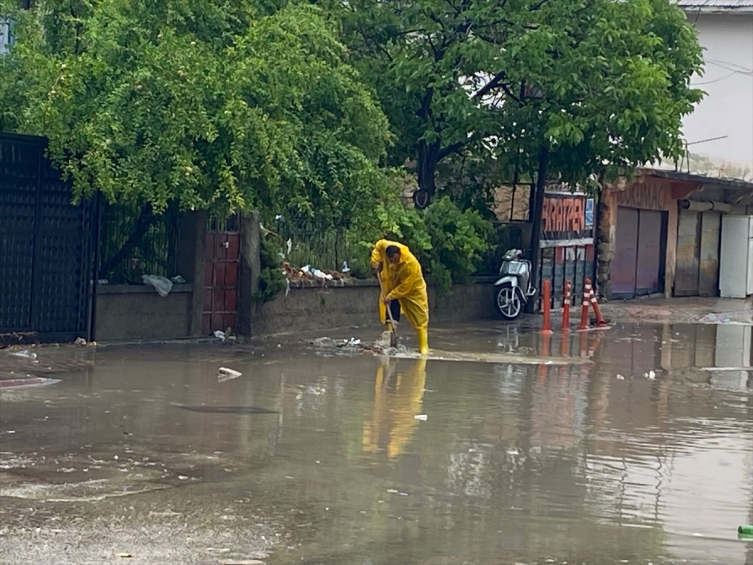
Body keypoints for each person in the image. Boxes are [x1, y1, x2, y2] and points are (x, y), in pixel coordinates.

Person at [370, 239, 429, 354]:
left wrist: (390, 295)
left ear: (399, 254)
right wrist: (376, 261)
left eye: (395, 260)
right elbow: (377, 247)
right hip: (393, 284)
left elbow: (405, 287)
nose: (393, 263)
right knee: (391, 308)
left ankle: (423, 348)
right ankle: (389, 338)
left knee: (420, 317)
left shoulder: (410, 264)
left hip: (413, 290)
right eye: (390, 261)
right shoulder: (385, 246)